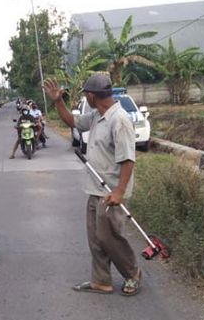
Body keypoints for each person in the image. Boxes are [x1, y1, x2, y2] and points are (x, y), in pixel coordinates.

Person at [44, 74, 142, 296]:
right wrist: (58, 101)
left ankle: (133, 273)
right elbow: (72, 121)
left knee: (111, 238)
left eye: (85, 94)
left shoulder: (119, 120)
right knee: (96, 238)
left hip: (111, 191)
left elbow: (128, 159)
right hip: (95, 187)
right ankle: (101, 280)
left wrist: (119, 191)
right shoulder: (98, 115)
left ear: (90, 95)